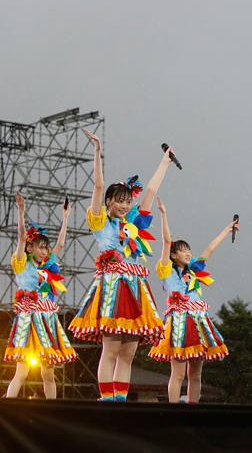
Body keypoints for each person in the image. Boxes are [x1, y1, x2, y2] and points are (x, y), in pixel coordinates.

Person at [69, 129, 174, 401]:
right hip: (113, 289)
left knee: (128, 354)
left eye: (129, 201)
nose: (126, 205)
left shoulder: (134, 223)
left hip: (136, 288)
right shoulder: (100, 222)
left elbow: (150, 190)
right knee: (111, 350)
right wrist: (97, 151)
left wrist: (165, 161)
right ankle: (106, 401)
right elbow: (97, 187)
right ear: (109, 202)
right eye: (120, 201)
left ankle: (120, 402)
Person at [149, 197, 237, 403]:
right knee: (178, 374)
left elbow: (211, 247)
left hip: (198, 322)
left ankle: (193, 408)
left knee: (195, 375)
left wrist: (228, 228)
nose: (188, 253)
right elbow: (166, 241)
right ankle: (172, 410)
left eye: (189, 249)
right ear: (172, 254)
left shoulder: (195, 271)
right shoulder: (166, 271)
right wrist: (163, 214)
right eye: (183, 250)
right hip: (179, 323)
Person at [6, 192, 77, 398]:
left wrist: (65, 217)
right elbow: (21, 237)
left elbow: (61, 245)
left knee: (48, 371)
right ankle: (8, 407)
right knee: (22, 371)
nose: (45, 251)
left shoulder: (48, 266)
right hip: (28, 319)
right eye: (40, 247)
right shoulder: (21, 264)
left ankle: (52, 410)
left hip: (47, 319)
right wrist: (21, 212)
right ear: (29, 247)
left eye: (46, 247)